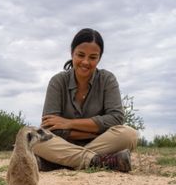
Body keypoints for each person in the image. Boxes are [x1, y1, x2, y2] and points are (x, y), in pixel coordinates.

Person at [33, 28, 138, 172]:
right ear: (72, 54)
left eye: (93, 57)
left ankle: (60, 162)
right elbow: (50, 127)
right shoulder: (57, 81)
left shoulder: (107, 79)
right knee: (33, 137)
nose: (85, 62)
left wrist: (68, 123)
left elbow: (116, 118)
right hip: (64, 143)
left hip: (98, 143)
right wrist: (96, 129)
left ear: (99, 58)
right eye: (80, 55)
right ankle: (97, 160)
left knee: (129, 134)